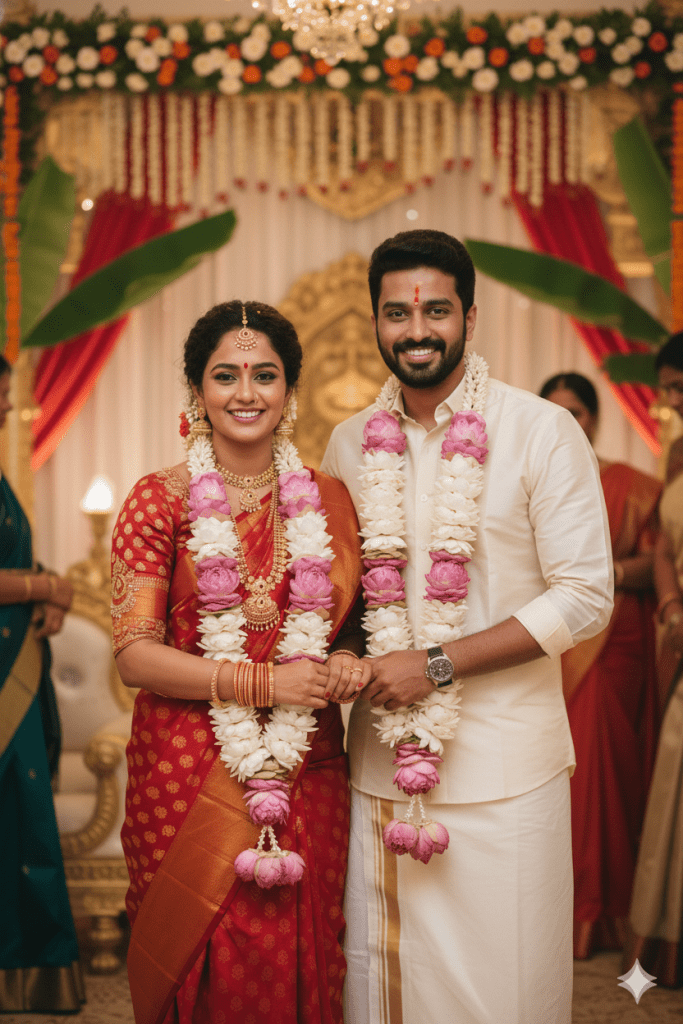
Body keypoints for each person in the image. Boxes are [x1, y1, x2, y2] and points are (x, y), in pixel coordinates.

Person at [320, 230, 613, 1024]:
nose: (416, 329)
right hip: (381, 768)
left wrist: (438, 663)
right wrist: (343, 656)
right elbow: (344, 603)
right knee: (386, 989)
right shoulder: (346, 446)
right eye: (396, 312)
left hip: (505, 775)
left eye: (436, 310)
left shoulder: (540, 430)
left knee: (505, 995)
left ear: (470, 317)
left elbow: (585, 596)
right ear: (376, 322)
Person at [113, 301, 371, 1024]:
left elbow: (354, 628)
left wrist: (347, 661)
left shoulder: (329, 501)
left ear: (289, 390)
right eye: (225, 375)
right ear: (197, 392)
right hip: (185, 765)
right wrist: (264, 681)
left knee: (304, 944)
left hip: (304, 765)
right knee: (198, 950)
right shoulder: (156, 501)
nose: (246, 392)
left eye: (265, 374)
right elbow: (135, 656)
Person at [539, 372, 661, 960]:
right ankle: (555, 908)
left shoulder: (631, 484)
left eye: (578, 412)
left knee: (605, 771)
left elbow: (655, 563)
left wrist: (595, 575)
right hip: (541, 639)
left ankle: (601, 913)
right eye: (555, 410)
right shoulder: (521, 478)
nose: (568, 420)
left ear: (594, 418)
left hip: (613, 638)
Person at [0, 353, 84, 1014]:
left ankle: (32, 973)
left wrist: (47, 589)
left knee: (23, 817)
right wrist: (48, 586)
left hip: (16, 664)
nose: (7, 409)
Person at [625, 332, 683, 988]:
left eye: (677, 386)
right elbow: (666, 545)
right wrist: (668, 605)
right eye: (665, 386)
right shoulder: (675, 451)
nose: (669, 399)